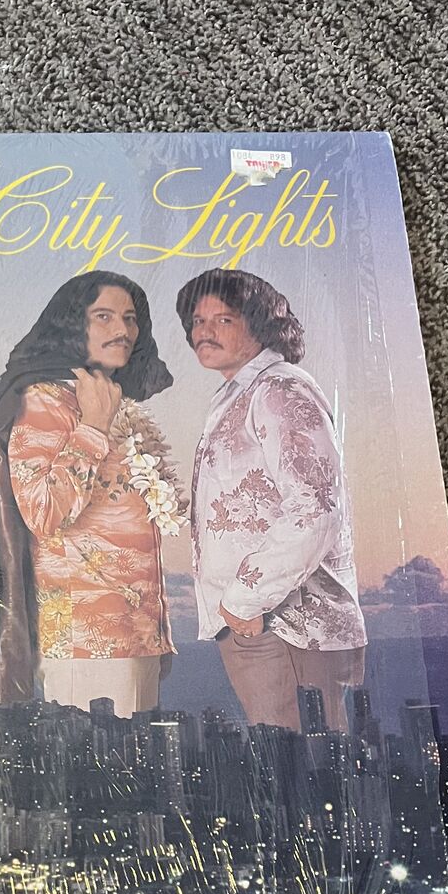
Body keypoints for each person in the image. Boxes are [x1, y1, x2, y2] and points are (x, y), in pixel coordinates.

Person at [0, 272, 177, 714]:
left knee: (132, 752)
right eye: (104, 316)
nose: (123, 330)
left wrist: (154, 629)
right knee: (98, 752)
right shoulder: (44, 401)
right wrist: (93, 428)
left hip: (133, 630)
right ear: (72, 324)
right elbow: (41, 512)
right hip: (85, 635)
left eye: (130, 319)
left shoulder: (104, 398)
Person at [176, 268, 366, 733]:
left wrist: (243, 602)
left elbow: (315, 507)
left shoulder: (279, 389)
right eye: (198, 321)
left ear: (261, 323)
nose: (204, 332)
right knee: (293, 764)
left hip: (286, 626)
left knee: (312, 761)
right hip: (262, 623)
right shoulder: (242, 393)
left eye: (223, 319)